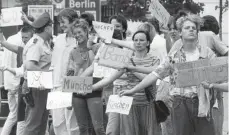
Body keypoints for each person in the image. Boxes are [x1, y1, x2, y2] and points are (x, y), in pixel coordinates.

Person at [120, 14, 216, 135]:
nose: (191, 29)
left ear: (197, 32)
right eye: (187, 28)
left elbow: (219, 74)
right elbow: (154, 74)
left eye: (193, 27)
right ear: (180, 32)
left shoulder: (207, 53)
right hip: (180, 104)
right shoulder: (173, 57)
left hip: (202, 102)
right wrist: (132, 90)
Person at [92, 30, 161, 135]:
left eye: (141, 40)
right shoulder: (126, 60)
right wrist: (90, 87)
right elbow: (110, 79)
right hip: (130, 104)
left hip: (148, 104)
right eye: (136, 40)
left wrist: (132, 69)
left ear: (147, 43)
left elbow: (151, 80)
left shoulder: (154, 59)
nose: (138, 42)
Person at [66, 20, 105, 135]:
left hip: (95, 88)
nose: (77, 35)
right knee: (83, 128)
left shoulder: (97, 47)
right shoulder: (73, 52)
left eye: (79, 32)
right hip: (77, 90)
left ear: (87, 31)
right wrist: (68, 97)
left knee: (98, 128)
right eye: (75, 33)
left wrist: (91, 46)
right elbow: (70, 74)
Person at [0, 18, 34, 135]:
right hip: (22, 87)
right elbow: (3, 43)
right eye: (23, 37)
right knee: (20, 117)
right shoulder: (21, 49)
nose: (24, 40)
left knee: (25, 117)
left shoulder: (39, 48)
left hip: (30, 88)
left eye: (26, 38)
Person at [22, 12, 53, 135]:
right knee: (33, 124)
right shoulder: (37, 43)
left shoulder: (44, 42)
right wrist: (46, 77)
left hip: (41, 86)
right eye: (51, 26)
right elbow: (30, 65)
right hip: (36, 86)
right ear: (47, 28)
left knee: (41, 122)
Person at [50, 8, 79, 135]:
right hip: (56, 85)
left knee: (72, 124)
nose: (61, 26)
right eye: (59, 23)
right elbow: (53, 63)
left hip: (74, 86)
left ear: (74, 21)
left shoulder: (81, 39)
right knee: (57, 123)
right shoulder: (59, 39)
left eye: (63, 22)